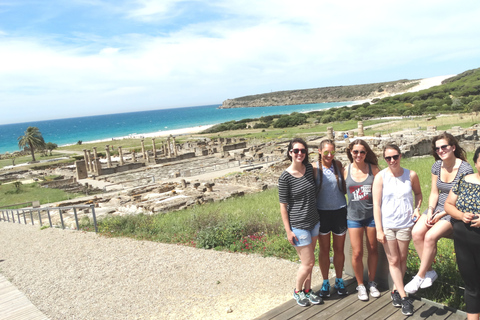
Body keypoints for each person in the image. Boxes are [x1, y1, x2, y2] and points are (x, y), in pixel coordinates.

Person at [405, 133, 473, 294]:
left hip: (454, 209)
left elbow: (463, 198)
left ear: (453, 147)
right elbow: (435, 192)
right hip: (437, 208)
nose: (441, 150)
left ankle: (420, 275)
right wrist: (430, 211)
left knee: (430, 236)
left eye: (444, 147)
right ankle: (429, 271)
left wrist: (442, 214)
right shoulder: (437, 166)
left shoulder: (465, 168)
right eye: (437, 148)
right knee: (416, 232)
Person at [372, 144, 422, 316]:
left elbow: (418, 194)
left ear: (401, 156)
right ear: (384, 159)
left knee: (402, 259)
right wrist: (379, 229)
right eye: (388, 158)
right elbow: (376, 205)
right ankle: (403, 296)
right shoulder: (380, 177)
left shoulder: (411, 175)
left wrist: (417, 208)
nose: (392, 161)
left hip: (406, 223)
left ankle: (395, 289)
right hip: (388, 225)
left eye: (395, 157)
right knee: (393, 260)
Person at [278, 138, 322, 307]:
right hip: (298, 225)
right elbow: (283, 206)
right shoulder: (285, 177)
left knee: (310, 261)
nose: (299, 154)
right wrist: (288, 231)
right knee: (308, 262)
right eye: (296, 151)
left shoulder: (309, 169)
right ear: (290, 153)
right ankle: (297, 291)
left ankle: (308, 290)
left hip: (314, 222)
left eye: (302, 151)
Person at [445, 146, 480, 320]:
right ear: (475, 162)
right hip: (463, 239)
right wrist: (461, 215)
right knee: (471, 284)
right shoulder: (464, 180)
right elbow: (448, 204)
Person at [344, 139, 381, 301]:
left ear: (366, 153)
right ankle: (360, 285)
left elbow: (385, 189)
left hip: (372, 216)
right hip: (353, 217)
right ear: (350, 152)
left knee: (373, 249)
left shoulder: (374, 169)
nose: (359, 155)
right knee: (357, 252)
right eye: (355, 152)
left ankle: (372, 282)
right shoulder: (345, 170)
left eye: (362, 152)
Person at [313, 139, 348, 298]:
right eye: (326, 152)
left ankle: (339, 280)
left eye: (332, 152)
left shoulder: (338, 164)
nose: (329, 155)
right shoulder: (314, 168)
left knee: (339, 249)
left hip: (340, 211)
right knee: (324, 250)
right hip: (322, 213)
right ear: (319, 151)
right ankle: (326, 281)